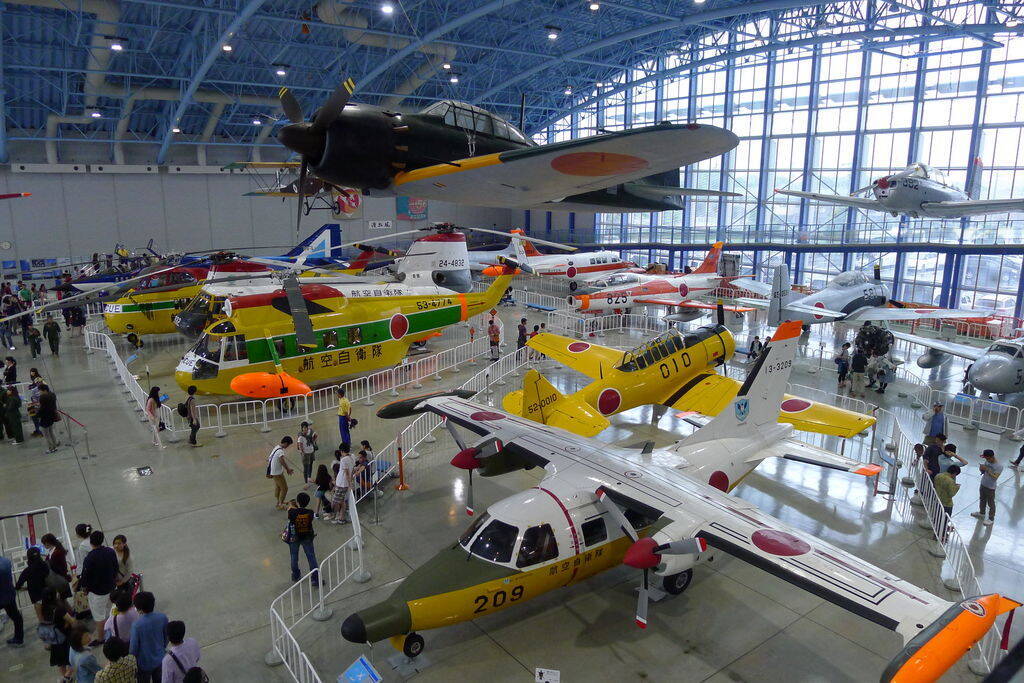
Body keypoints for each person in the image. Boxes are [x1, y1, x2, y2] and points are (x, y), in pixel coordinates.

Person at [79, 530, 119, 645]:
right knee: (112, 610)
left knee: (99, 616)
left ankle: (101, 638)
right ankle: (115, 630)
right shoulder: (110, 552)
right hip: (111, 588)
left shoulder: (89, 558)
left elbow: (85, 577)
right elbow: (115, 568)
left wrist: (84, 588)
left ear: (91, 542)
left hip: (97, 593)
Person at [129, 591, 168, 683]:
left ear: (139, 609)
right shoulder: (162, 617)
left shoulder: (137, 625)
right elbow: (167, 637)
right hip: (160, 658)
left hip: (144, 663)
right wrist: (162, 648)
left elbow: (133, 648)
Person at [287, 493, 319, 584]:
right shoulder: (310, 512)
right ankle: (315, 578)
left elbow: (290, 513)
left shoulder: (292, 512)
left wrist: (291, 505)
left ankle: (296, 575)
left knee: (294, 556)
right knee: (311, 557)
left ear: (297, 502)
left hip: (294, 537)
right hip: (307, 537)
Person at [14, 545, 49, 620]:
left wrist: (27, 588)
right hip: (49, 594)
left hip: (36, 597)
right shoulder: (45, 565)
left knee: (41, 618)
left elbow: (18, 585)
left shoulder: (27, 571)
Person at [971, 449, 1002, 526]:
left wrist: (987, 470)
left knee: (991, 503)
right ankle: (982, 513)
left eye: (987, 458)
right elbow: (983, 472)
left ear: (992, 457)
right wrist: (981, 469)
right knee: (982, 499)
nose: (986, 460)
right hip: (983, 483)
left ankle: (991, 518)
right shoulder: (987, 461)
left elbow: (995, 477)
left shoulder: (999, 466)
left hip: (990, 487)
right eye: (985, 458)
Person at [0, 553, 23, 646]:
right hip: (9, 595)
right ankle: (19, 639)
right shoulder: (6, 561)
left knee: (16, 617)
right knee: (17, 618)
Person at [934, 465, 961, 542]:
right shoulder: (950, 481)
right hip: (946, 503)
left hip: (938, 500)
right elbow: (951, 493)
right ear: (955, 473)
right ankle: (942, 534)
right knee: (945, 518)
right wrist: (957, 487)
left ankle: (941, 528)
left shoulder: (938, 475)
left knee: (938, 516)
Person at [268, 436, 295, 510]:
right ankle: (280, 504)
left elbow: (269, 458)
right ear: (286, 443)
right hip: (277, 473)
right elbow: (281, 460)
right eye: (288, 445)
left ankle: (279, 502)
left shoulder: (276, 447)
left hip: (273, 472)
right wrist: (288, 469)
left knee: (278, 487)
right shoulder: (280, 451)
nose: (288, 446)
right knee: (284, 488)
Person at [332, 446, 354, 525]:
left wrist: (349, 483)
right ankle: (341, 517)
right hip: (344, 483)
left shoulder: (343, 460)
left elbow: (346, 472)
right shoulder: (352, 457)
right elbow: (351, 471)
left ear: (341, 451)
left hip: (341, 483)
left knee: (336, 501)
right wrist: (350, 482)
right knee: (342, 501)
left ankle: (336, 516)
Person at [37, 382, 60, 452]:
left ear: (44, 390)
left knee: (46, 435)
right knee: (51, 432)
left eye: (39, 390)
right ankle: (55, 446)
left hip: (44, 418)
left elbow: (42, 409)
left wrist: (37, 414)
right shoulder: (52, 395)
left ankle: (50, 448)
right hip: (51, 416)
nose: (39, 392)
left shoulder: (42, 397)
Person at [27, 368, 44, 437]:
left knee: (36, 418)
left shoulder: (36, 390)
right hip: (34, 406)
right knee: (35, 418)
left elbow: (35, 399)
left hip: (37, 407)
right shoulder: (41, 389)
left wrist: (32, 403)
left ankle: (39, 431)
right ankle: (37, 430)